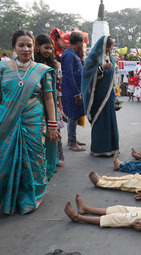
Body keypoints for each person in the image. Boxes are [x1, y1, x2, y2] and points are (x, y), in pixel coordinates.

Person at [0, 30, 59, 215]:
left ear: (34, 48)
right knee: (6, 160)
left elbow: (49, 99)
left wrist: (52, 124)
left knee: (34, 160)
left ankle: (30, 197)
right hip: (7, 121)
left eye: (29, 45)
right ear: (13, 48)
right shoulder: (3, 68)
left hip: (33, 121)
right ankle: (10, 196)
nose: (25, 49)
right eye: (21, 45)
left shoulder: (41, 70)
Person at [81, 36, 119, 157]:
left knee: (110, 120)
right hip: (97, 96)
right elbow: (86, 74)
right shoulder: (93, 58)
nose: (108, 49)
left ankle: (111, 148)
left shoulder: (112, 59)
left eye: (110, 47)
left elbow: (112, 78)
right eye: (107, 47)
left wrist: (115, 95)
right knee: (100, 121)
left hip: (109, 95)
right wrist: (101, 68)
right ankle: (99, 148)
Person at [35, 34, 65, 167]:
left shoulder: (54, 64)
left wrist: (59, 103)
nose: (48, 51)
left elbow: (58, 87)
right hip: (36, 103)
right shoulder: (33, 64)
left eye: (51, 48)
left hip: (51, 100)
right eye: (46, 47)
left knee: (54, 129)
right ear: (37, 47)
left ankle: (56, 156)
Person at [61, 32, 86, 152]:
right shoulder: (69, 54)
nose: (84, 45)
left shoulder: (75, 54)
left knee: (75, 115)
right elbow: (69, 75)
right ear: (78, 43)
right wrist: (76, 94)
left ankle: (73, 139)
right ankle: (72, 142)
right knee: (72, 115)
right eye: (83, 42)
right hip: (71, 91)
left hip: (76, 89)